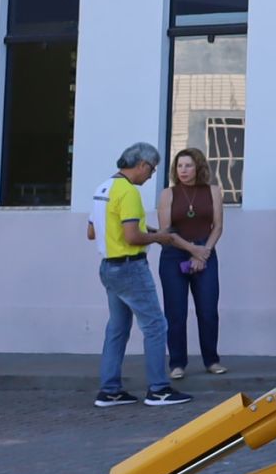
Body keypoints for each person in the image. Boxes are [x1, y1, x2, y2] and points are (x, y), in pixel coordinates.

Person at [90, 143, 190, 408]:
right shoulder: (129, 192)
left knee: (117, 328)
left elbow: (92, 231)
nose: (150, 175)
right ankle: (158, 389)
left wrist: (151, 232)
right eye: (152, 170)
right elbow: (132, 237)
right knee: (155, 326)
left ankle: (109, 390)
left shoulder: (103, 188)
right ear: (142, 164)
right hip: (130, 268)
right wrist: (160, 238)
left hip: (108, 266)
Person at [156, 148, 226, 379]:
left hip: (206, 250)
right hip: (174, 253)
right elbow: (166, 231)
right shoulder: (168, 194)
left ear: (198, 167)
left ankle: (212, 360)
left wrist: (203, 253)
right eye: (179, 166)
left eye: (188, 165)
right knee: (175, 312)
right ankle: (177, 363)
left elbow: (217, 227)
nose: (183, 170)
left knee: (208, 310)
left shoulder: (213, 191)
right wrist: (192, 250)